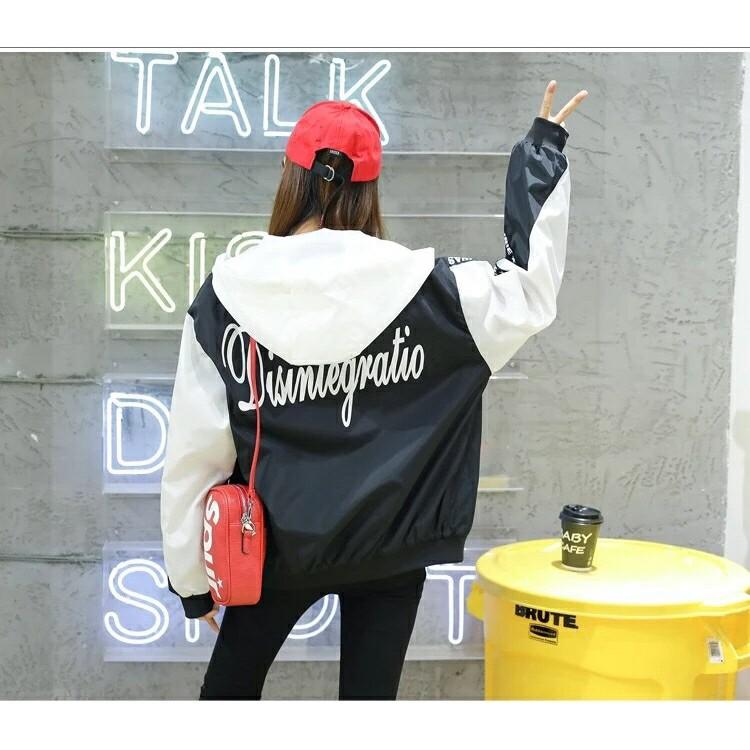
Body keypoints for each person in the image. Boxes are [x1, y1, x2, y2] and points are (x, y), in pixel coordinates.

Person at [159, 80, 588, 700]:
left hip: (274, 548)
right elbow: (527, 293)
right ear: (369, 189)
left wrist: (191, 581)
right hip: (392, 549)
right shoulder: (435, 292)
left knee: (227, 696)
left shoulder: (226, 295)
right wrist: (540, 156)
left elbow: (194, 452)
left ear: (289, 176)